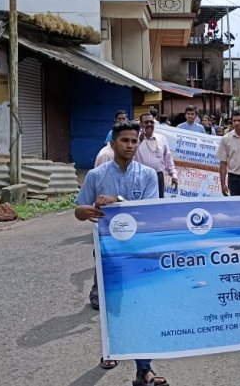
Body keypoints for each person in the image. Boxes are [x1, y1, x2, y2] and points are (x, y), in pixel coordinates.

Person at [74, 122, 170, 384]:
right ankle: (110, 350)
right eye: (124, 140)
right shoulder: (96, 175)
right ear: (113, 143)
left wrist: (118, 200)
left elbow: (149, 211)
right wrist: (83, 212)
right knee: (111, 305)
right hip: (108, 250)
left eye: (134, 141)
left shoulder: (148, 175)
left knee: (141, 305)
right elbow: (79, 209)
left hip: (140, 251)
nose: (129, 145)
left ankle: (144, 368)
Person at [135, 112, 178, 198]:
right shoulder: (135, 139)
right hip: (139, 176)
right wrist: (139, 141)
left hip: (158, 176)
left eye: (151, 122)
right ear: (140, 124)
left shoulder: (161, 138)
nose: (149, 124)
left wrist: (174, 174)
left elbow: (168, 158)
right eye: (146, 122)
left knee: (158, 202)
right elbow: (130, 155)